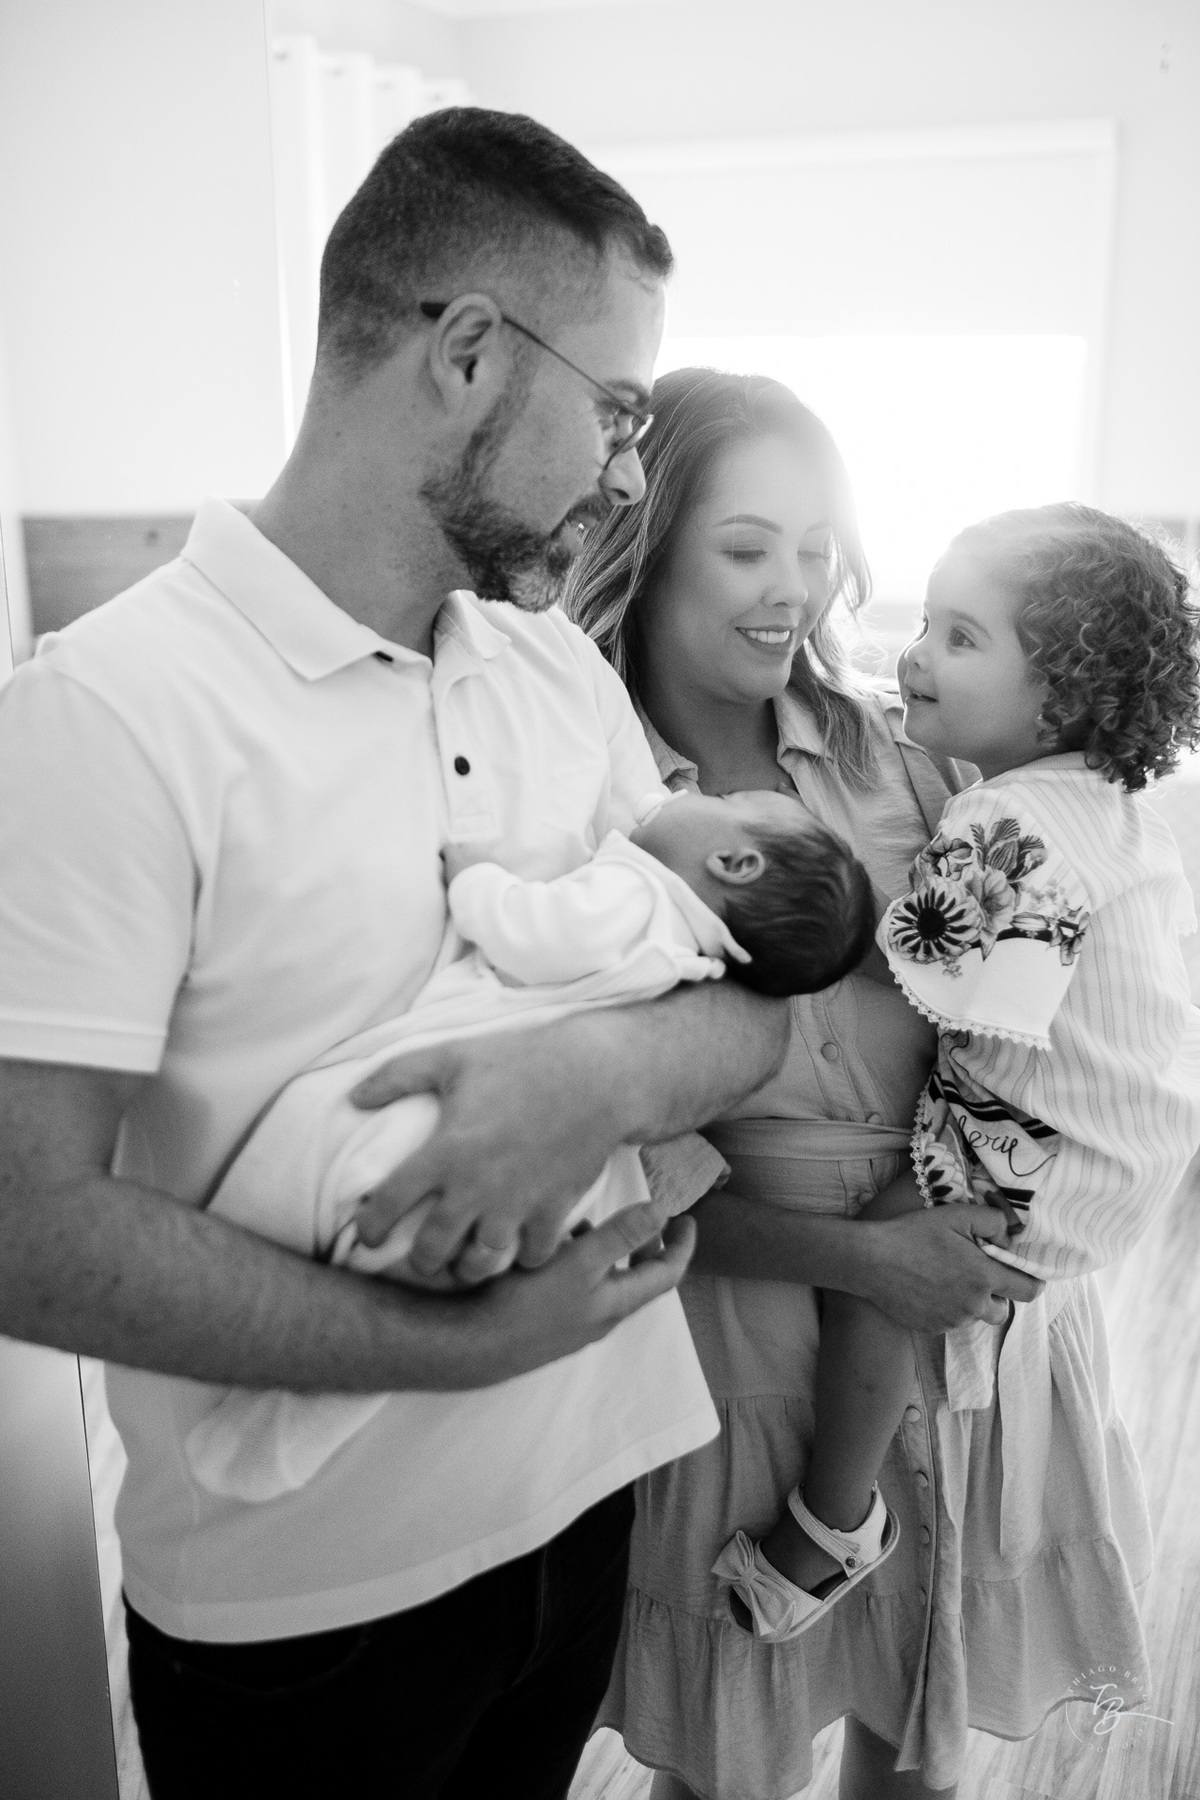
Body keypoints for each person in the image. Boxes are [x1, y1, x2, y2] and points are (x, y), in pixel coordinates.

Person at [0, 113, 796, 1800]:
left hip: (586, 1508)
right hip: (304, 1620)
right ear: (465, 356)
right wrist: (461, 1342)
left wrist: (594, 1075)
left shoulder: (550, 673)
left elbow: (752, 1012)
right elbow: (20, 1230)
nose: (629, 474)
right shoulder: (100, 720)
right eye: (619, 412)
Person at [565, 371, 1147, 1800]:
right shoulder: (590, 796)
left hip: (965, 1319)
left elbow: (1045, 1017)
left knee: (920, 1738)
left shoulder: (913, 756)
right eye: (749, 546)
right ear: (657, 540)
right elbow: (605, 1156)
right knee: (736, 1757)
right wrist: (858, 1255)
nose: (792, 589)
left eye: (817, 549)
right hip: (741, 1335)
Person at [713, 503, 1200, 1646]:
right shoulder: (1102, 807)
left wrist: (782, 881)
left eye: (963, 639)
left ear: (1062, 698)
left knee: (886, 1251)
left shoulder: (1004, 816)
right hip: (1124, 1149)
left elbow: (908, 965)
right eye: (926, 623)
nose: (919, 656)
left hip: (1053, 1146)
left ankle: (835, 1519)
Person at [186, 786, 875, 1503]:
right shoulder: (693, 954)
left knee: (360, 1204)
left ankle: (295, 1395)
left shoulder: (639, 897)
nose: (688, 789)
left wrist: (477, 878)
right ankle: (291, 1415)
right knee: (385, 1262)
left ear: (733, 861)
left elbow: (534, 934)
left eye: (723, 797)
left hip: (461, 1109)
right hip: (538, 1153)